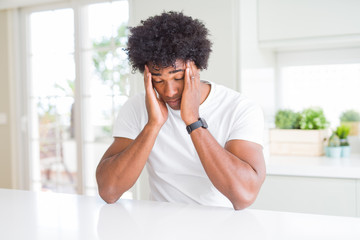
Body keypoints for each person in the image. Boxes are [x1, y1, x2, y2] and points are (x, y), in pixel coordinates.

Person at [96, 11, 266, 210]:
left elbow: (244, 195)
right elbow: (109, 191)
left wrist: (193, 121)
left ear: (196, 66)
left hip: (223, 225)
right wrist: (153, 125)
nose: (169, 91)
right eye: (158, 81)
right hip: (160, 226)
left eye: (177, 78)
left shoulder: (240, 108)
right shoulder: (136, 108)